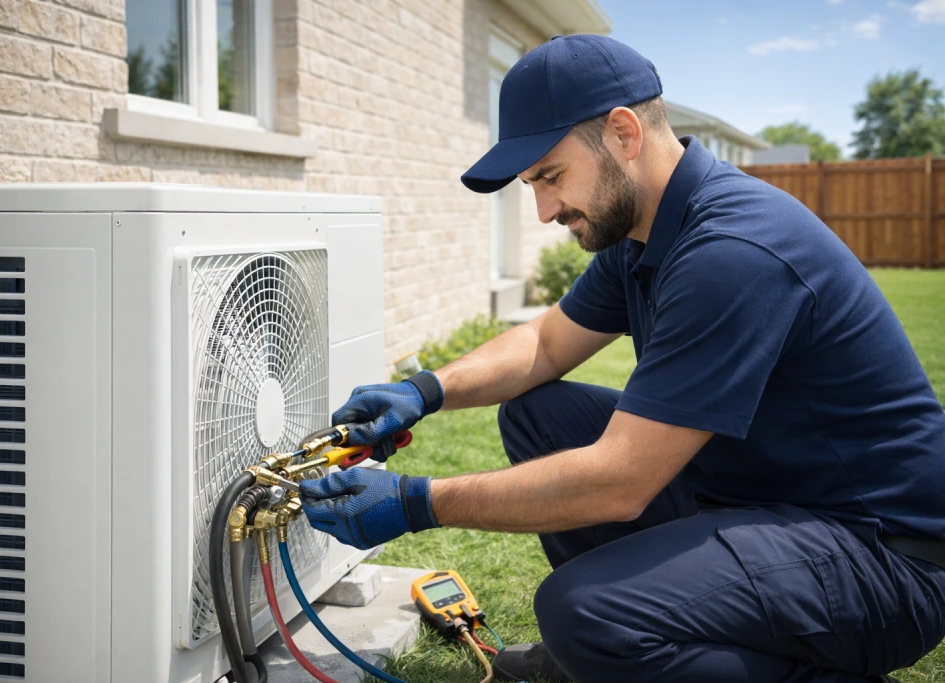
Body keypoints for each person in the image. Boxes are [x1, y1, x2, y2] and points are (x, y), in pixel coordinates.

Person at [298, 34, 945, 683]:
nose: (545, 209)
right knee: (539, 415)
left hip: (883, 555)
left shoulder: (732, 250)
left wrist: (415, 502)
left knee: (582, 612)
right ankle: (619, 652)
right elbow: (545, 344)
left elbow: (621, 478)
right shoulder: (643, 234)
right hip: (765, 496)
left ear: (624, 133)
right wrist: (423, 390)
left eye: (550, 176)